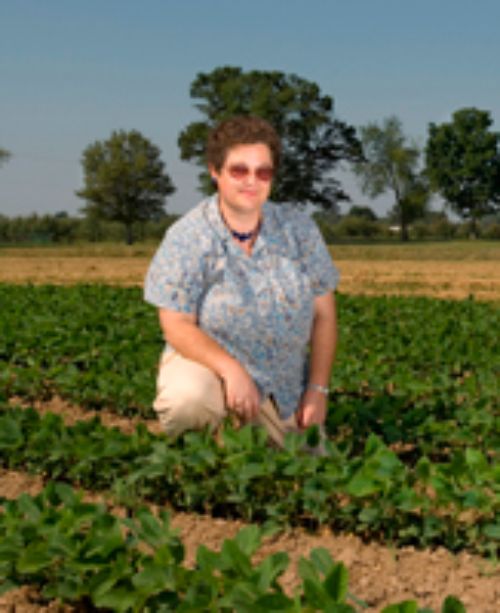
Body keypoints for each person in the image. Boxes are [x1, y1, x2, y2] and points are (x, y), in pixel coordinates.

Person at [144, 115, 339, 448]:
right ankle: (203, 453)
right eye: (239, 170)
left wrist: (317, 390)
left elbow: (324, 316)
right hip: (215, 373)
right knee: (189, 400)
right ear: (215, 171)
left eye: (263, 172)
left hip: (285, 383)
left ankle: (247, 436)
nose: (252, 181)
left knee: (305, 469)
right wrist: (231, 370)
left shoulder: (299, 230)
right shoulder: (188, 237)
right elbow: (176, 324)